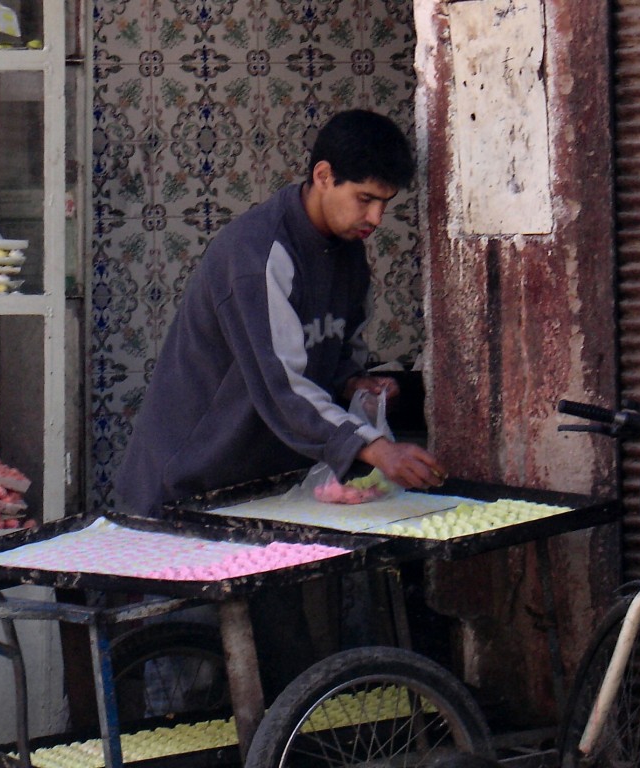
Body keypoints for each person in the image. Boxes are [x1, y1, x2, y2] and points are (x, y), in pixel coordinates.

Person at [113, 108, 448, 699]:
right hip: (189, 492)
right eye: (366, 199)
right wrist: (375, 449)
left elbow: (335, 351)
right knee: (193, 693)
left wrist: (355, 384)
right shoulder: (256, 255)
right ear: (323, 175)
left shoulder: (347, 253)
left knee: (283, 671)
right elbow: (282, 384)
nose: (375, 218)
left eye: (385, 204)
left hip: (263, 496)